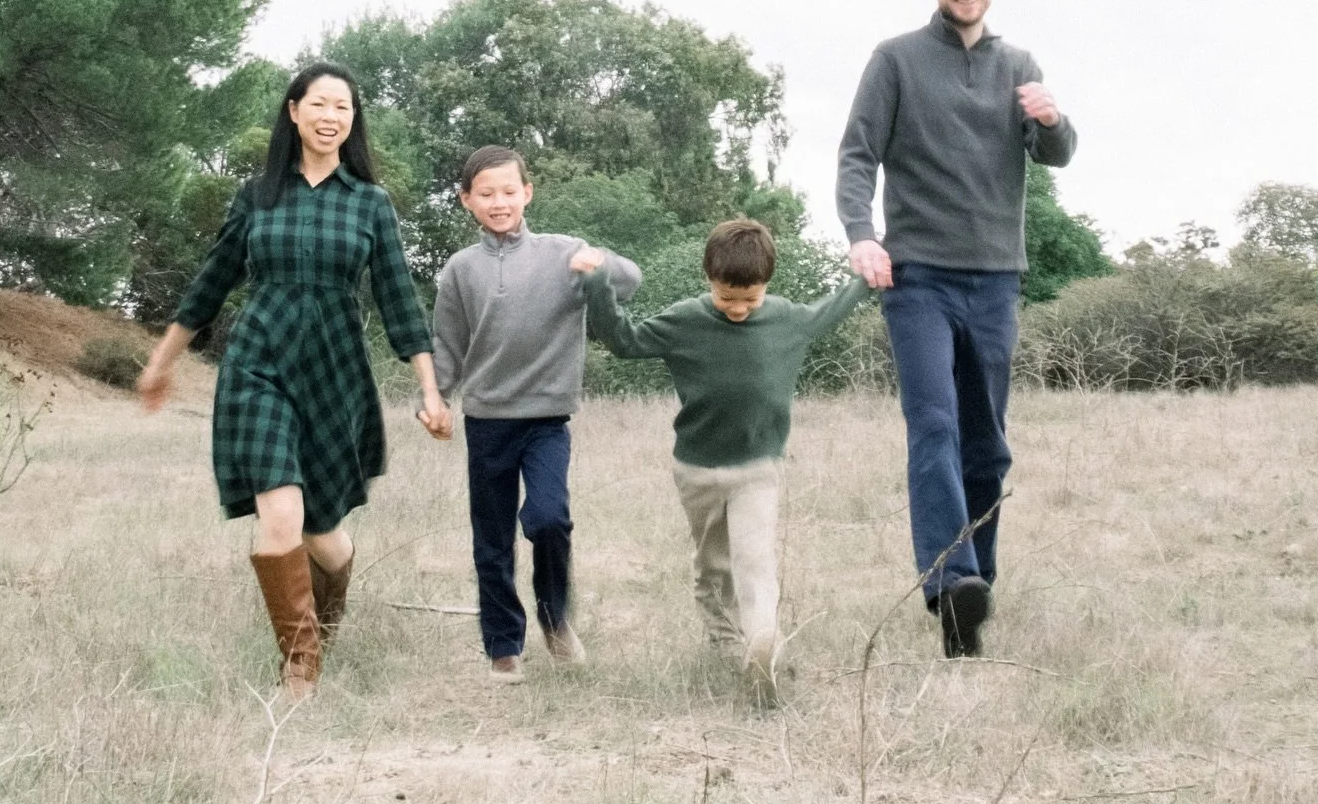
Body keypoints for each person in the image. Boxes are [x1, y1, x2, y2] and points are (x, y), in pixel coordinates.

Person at [138, 64, 452, 699]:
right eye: (319, 103)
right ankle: (300, 665)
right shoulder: (257, 195)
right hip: (258, 364)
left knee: (324, 534)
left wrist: (429, 390)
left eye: (343, 106)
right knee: (279, 515)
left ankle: (325, 612)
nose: (331, 115)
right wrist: (162, 360)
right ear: (294, 112)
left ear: (351, 120)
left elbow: (397, 299)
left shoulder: (370, 202)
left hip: (335, 373)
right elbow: (212, 280)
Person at [836, 0, 1076, 658]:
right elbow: (856, 155)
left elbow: (1058, 153)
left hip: (997, 277)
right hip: (918, 279)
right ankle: (951, 578)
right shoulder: (896, 60)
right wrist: (861, 233)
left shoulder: (1019, 65)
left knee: (987, 446)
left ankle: (973, 593)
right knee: (935, 426)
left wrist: (1052, 118)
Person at [574, 218, 868, 707]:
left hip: (759, 467)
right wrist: (595, 282)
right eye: (726, 297)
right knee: (714, 565)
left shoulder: (788, 318)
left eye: (749, 299)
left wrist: (866, 274)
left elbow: (832, 308)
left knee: (755, 561)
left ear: (767, 284)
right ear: (709, 277)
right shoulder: (684, 320)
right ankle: (725, 646)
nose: (737, 308)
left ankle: (762, 648)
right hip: (698, 470)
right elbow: (624, 341)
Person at [433, 145, 642, 684]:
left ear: (527, 193)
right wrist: (434, 398)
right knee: (492, 539)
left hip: (547, 418)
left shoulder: (563, 251)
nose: (499, 202)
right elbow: (449, 346)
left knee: (549, 519)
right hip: (487, 421)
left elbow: (631, 279)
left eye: (509, 191)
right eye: (486, 194)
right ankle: (504, 646)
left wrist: (598, 265)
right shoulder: (460, 269)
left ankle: (555, 618)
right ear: (467, 201)